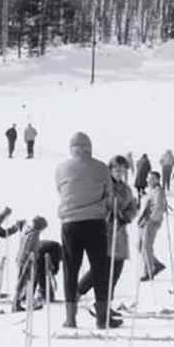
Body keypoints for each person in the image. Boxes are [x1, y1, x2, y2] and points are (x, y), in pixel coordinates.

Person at [55, 132, 120, 329]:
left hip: (70, 223)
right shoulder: (101, 168)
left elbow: (60, 190)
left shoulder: (61, 168)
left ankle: (70, 318)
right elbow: (109, 194)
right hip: (95, 222)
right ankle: (101, 318)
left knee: (70, 270)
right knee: (100, 269)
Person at [78, 156, 138, 322]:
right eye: (117, 169)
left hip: (119, 236)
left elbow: (132, 207)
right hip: (103, 234)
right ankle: (77, 293)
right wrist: (108, 215)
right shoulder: (103, 186)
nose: (120, 173)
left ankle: (104, 306)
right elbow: (96, 205)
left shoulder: (126, 189)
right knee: (101, 271)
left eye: (123, 170)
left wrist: (126, 216)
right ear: (110, 170)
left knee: (115, 273)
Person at [14, 216, 49, 312]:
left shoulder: (28, 232)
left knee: (26, 281)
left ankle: (22, 302)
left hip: (24, 260)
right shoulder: (33, 234)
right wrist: (29, 260)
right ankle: (16, 304)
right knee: (23, 282)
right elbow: (28, 248)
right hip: (26, 261)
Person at [138, 171, 168, 280]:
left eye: (150, 178)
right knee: (141, 245)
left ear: (156, 180)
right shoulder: (152, 190)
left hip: (151, 222)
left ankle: (149, 271)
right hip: (145, 221)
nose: (147, 180)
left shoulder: (159, 191)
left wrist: (150, 221)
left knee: (146, 246)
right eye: (147, 177)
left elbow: (158, 208)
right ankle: (156, 264)